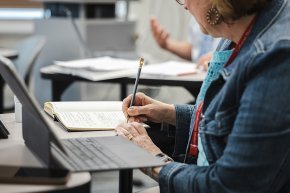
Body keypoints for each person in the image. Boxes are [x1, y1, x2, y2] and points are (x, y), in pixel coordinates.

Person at [115, 0, 290, 192]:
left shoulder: (277, 57)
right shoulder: (235, 33)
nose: (183, 4)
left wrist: (153, 161)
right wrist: (169, 113)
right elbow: (229, 119)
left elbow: (230, 185)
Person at [150, 16, 216, 70]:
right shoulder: (194, 16)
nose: (185, 6)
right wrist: (167, 44)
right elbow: (196, 50)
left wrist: (219, 58)